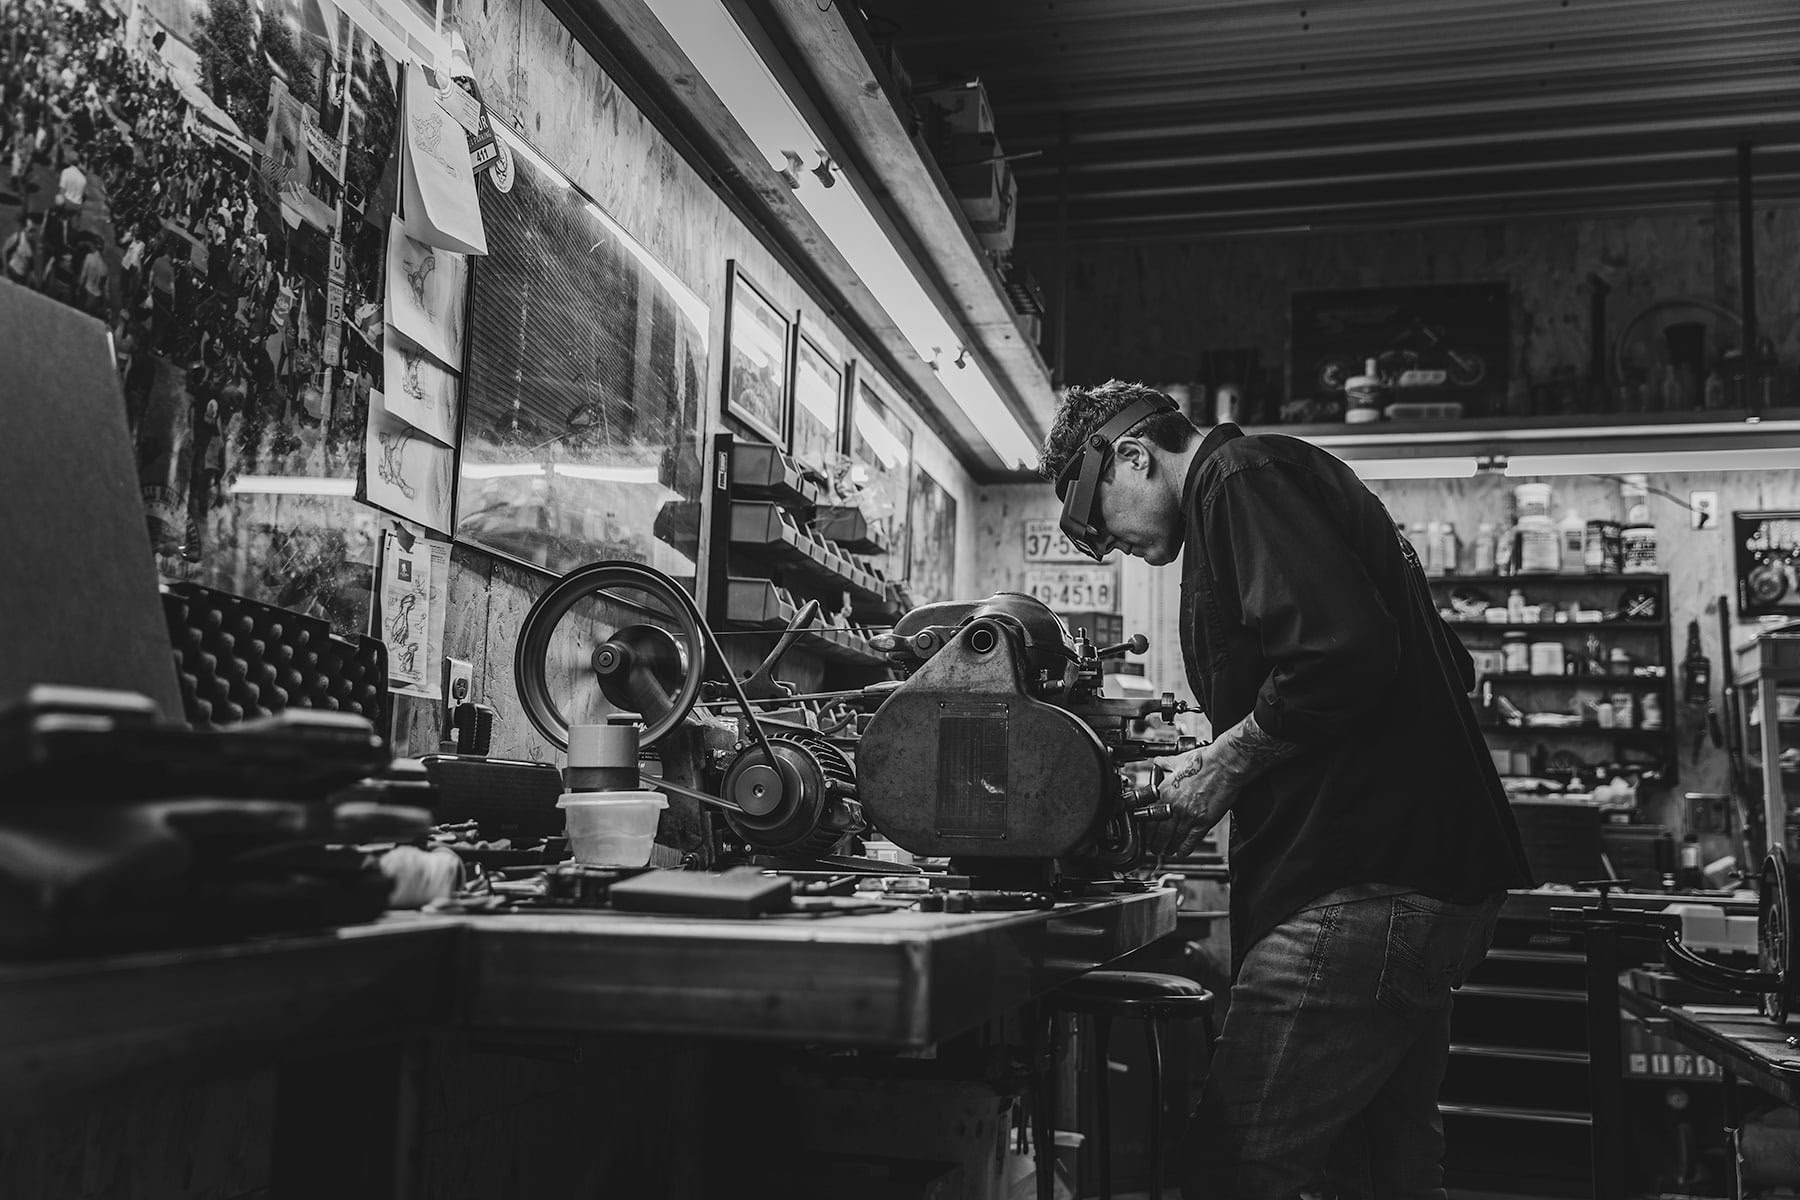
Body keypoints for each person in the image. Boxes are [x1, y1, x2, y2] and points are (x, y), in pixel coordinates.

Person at [1037, 381, 1533, 1200]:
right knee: (1380, 1170)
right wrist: (1220, 767)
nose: (1109, 543)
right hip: (1422, 882)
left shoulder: (1237, 478)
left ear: (1133, 456)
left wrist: (1227, 765)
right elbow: (1443, 662)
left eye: (1096, 516)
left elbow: (1341, 658)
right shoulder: (1284, 482)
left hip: (1361, 887)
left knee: (1233, 1173)